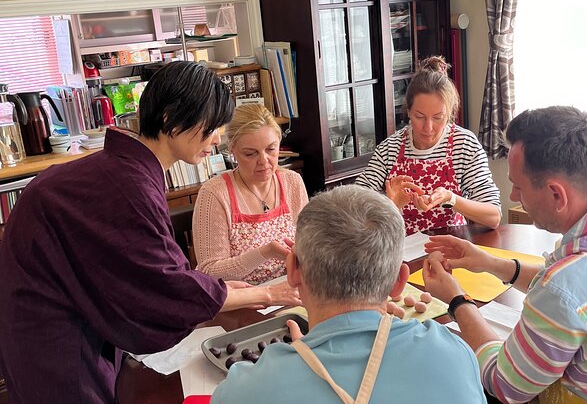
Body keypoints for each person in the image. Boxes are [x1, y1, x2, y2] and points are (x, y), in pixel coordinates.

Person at [0, 62, 300, 404]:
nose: (217, 139)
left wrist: (215, 288)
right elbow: (165, 288)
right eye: (212, 126)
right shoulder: (127, 185)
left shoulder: (126, 171)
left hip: (62, 318)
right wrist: (268, 295)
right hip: (53, 339)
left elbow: (150, 270)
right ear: (172, 118)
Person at [423, 106, 587, 403]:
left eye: (517, 186)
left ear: (556, 194)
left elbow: (505, 385)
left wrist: (457, 300)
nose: (513, 196)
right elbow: (576, 294)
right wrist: (488, 263)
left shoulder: (564, 286)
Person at [211, 185, 486, 403]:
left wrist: (296, 361)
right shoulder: (456, 356)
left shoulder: (245, 391)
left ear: (293, 269)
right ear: (399, 281)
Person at [356, 56, 501, 235]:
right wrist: (390, 204)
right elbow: (353, 209)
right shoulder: (389, 149)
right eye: (419, 117)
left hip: (452, 249)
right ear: (408, 111)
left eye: (438, 118)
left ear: (449, 114)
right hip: (400, 252)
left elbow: (493, 217)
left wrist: (451, 199)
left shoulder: (464, 145)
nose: (428, 128)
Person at [193, 103, 309, 284]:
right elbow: (209, 273)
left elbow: (308, 246)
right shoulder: (214, 194)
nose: (264, 161)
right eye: (250, 154)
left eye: (271, 149)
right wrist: (264, 253)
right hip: (243, 302)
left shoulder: (292, 182)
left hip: (290, 292)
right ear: (232, 151)